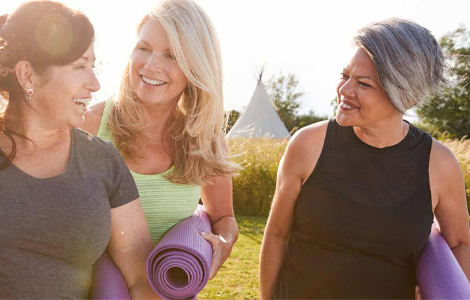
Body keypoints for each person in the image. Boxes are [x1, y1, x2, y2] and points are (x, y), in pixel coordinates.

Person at [0, 1, 159, 298]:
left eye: (93, 66)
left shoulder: (103, 161)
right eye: (80, 67)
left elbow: (141, 277)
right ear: (27, 76)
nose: (95, 83)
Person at [259, 18, 470, 299]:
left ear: (405, 95)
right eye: (344, 76)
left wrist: (443, 289)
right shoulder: (308, 144)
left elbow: (460, 243)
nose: (345, 90)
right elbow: (276, 235)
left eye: (363, 84)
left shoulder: (439, 164)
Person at [81, 0, 240, 280]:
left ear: (196, 67)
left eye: (172, 55)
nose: (151, 66)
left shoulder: (205, 140)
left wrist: (224, 244)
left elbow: (224, 218)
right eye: (143, 49)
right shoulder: (91, 125)